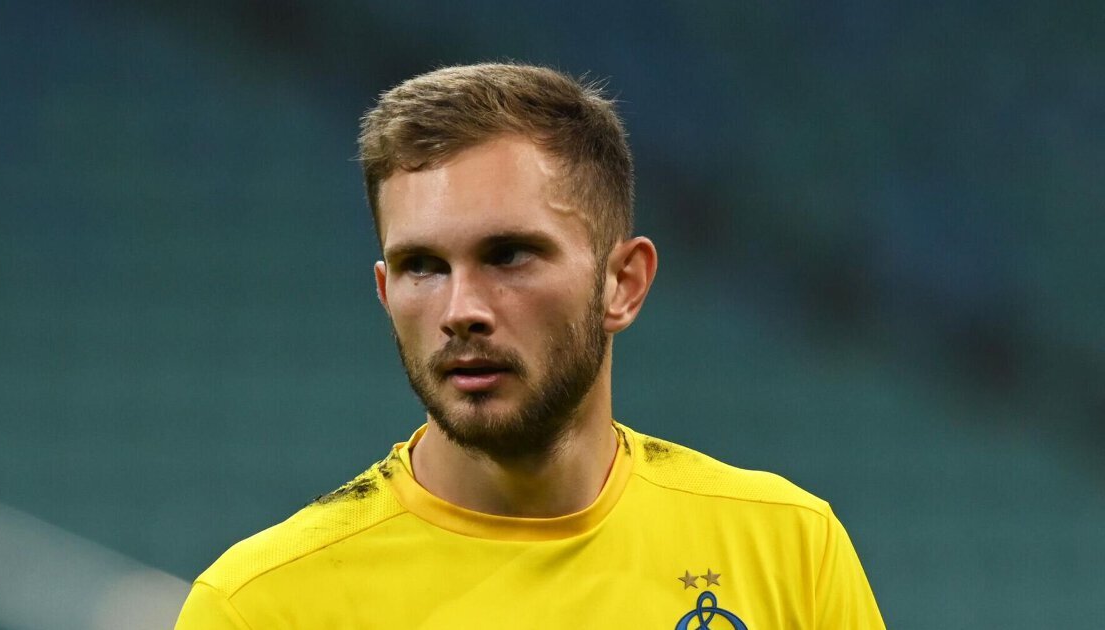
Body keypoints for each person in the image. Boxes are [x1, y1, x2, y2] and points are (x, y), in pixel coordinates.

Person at [174, 62, 885, 629]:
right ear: (385, 292)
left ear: (622, 284)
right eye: (423, 266)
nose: (461, 310)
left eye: (509, 255)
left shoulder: (789, 550)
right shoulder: (259, 608)